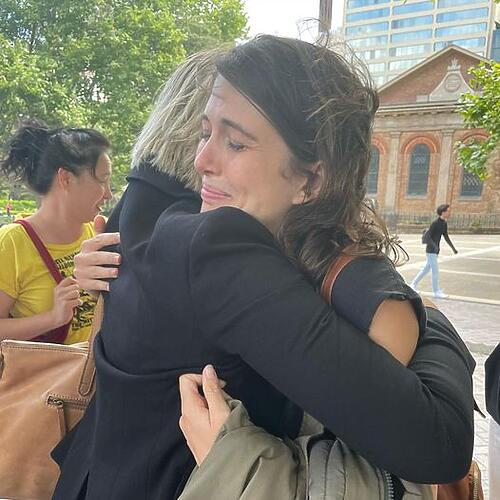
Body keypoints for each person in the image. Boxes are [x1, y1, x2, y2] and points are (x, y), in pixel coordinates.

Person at [53, 38, 474, 500]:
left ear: (311, 179)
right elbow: (440, 443)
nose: (202, 160)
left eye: (234, 142)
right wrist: (433, 317)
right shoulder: (215, 248)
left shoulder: (163, 224)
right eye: (205, 132)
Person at [0, 119, 112, 344]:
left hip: (102, 375)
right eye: (102, 180)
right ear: (66, 178)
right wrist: (52, 318)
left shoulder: (102, 231)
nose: (108, 194)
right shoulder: (12, 242)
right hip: (47, 377)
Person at [411, 203, 458, 299]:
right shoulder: (435, 223)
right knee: (435, 271)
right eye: (448, 211)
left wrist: (453, 248)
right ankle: (436, 292)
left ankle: (412, 285)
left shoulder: (444, 224)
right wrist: (434, 246)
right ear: (443, 212)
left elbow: (446, 237)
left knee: (425, 270)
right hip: (431, 250)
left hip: (435, 251)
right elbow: (428, 236)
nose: (450, 213)